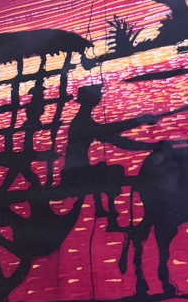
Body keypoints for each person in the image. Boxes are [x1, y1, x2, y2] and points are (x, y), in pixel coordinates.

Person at [61, 84, 156, 225]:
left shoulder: (86, 122)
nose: (100, 97)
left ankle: (106, 211)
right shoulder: (83, 123)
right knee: (113, 171)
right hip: (75, 174)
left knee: (108, 169)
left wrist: (146, 146)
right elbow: (111, 131)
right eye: (97, 95)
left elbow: (116, 139)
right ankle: (109, 215)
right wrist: (139, 121)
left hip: (77, 171)